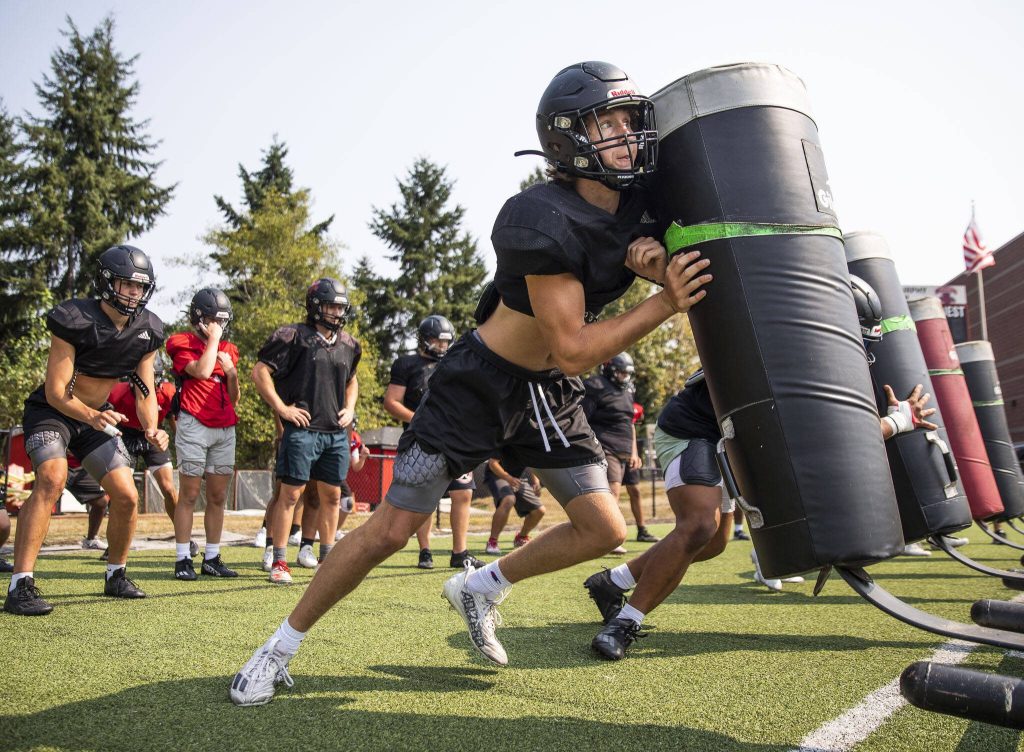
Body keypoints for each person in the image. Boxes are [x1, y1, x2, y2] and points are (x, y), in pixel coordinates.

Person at [229, 60, 711, 706]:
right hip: (480, 385)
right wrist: (662, 301)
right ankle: (278, 647)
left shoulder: (637, 203)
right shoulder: (539, 216)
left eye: (630, 119)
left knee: (604, 530)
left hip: (547, 396)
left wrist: (652, 255)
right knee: (390, 532)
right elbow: (572, 348)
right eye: (611, 122)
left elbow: (634, 259)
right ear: (570, 139)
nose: (628, 133)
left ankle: (482, 585)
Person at [583, 275, 938, 659]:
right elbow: (833, 435)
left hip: (729, 438)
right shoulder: (784, 351)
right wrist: (898, 422)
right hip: (692, 429)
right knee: (698, 525)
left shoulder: (807, 356)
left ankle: (611, 581)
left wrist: (897, 419)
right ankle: (626, 622)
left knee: (713, 543)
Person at [3, 245, 168, 616]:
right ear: (108, 283)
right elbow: (57, 392)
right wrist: (91, 416)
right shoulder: (74, 318)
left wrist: (153, 428)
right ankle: (20, 584)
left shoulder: (147, 331)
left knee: (126, 495)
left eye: (140, 287)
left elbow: (145, 391)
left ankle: (116, 574)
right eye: (127, 284)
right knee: (52, 477)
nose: (134, 293)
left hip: (97, 416)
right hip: (54, 412)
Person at [251, 278, 360, 583]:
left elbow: (352, 379)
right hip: (303, 429)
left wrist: (349, 407)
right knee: (290, 495)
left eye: (341, 306)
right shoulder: (292, 336)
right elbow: (260, 371)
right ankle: (279, 561)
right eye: (331, 306)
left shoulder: (349, 343)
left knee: (332, 495)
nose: (337, 312)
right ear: (315, 307)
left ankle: (327, 559)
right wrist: (282, 409)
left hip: (334, 432)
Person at [382, 314, 483, 570]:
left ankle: (460, 551)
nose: (442, 346)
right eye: (437, 341)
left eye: (445, 342)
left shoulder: (455, 362)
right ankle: (425, 550)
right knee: (426, 497)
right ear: (425, 339)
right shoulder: (407, 364)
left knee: (463, 493)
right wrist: (422, 418)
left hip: (456, 440)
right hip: (423, 439)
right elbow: (391, 402)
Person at [165, 288, 240, 580]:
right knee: (190, 494)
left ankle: (212, 556)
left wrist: (232, 373)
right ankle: (183, 558)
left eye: (222, 321)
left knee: (218, 495)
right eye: (213, 320)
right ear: (198, 319)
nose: (218, 326)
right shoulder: (181, 342)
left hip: (224, 426)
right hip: (194, 423)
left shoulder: (229, 349)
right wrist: (213, 340)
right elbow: (203, 371)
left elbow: (234, 398)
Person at [106, 353, 187, 549]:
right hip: (124, 435)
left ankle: (183, 537)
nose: (151, 382)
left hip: (153, 434)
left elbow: (172, 420)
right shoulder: (117, 392)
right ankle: (114, 543)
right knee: (121, 492)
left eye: (155, 377)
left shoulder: (167, 392)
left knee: (168, 488)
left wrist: (180, 445)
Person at [583, 352, 658, 550]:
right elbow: (583, 418)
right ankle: (610, 537)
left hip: (626, 449)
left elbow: (631, 423)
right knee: (613, 490)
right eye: (622, 372)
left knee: (635, 491)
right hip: (606, 446)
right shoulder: (596, 386)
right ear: (610, 370)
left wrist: (635, 452)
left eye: (627, 373)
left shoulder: (627, 390)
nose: (625, 376)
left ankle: (642, 529)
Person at [483, 458, 545, 554]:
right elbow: (492, 463)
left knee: (539, 510)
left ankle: (521, 537)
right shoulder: (505, 442)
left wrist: (536, 482)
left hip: (517, 478)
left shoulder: (529, 444)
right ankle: (492, 542)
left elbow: (532, 462)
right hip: (496, 475)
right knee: (509, 499)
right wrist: (508, 478)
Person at [64, 454, 110, 554]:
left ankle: (91, 540)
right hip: (57, 463)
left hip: (81, 468)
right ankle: (27, 541)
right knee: (44, 501)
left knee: (101, 502)